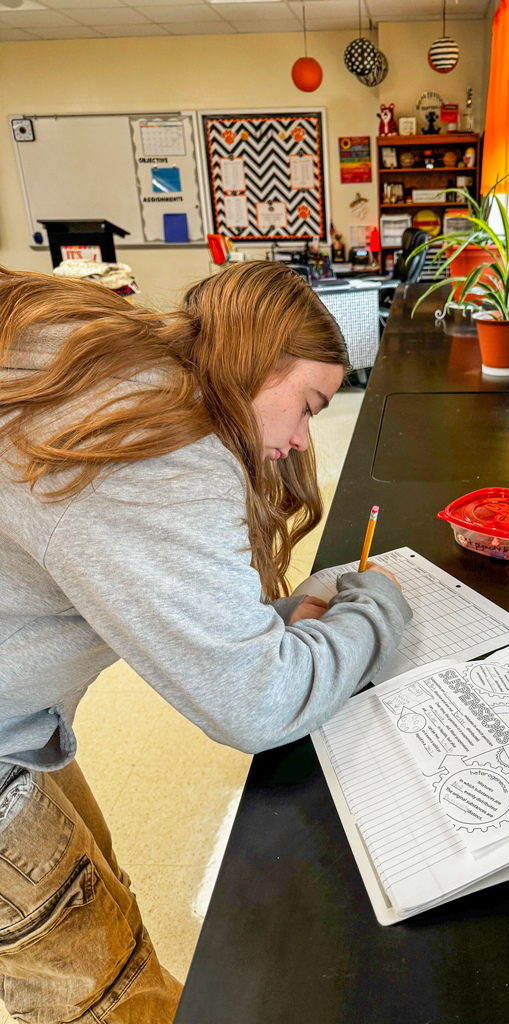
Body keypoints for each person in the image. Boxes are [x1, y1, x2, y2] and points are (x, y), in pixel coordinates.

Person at [0, 261, 411, 1022]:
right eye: (307, 406)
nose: (296, 441)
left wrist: (275, 623)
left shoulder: (116, 363)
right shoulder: (161, 447)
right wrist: (378, 608)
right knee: (109, 990)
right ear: (260, 361)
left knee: (99, 893)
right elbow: (258, 703)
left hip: (16, 719)